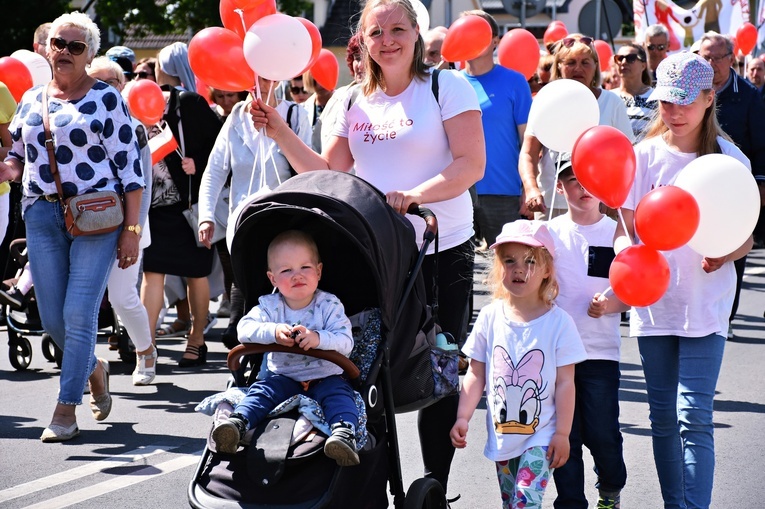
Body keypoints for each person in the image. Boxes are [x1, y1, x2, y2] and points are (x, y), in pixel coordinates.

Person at [249, 0, 485, 495]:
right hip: (378, 252)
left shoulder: (446, 85)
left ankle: (434, 488)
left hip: (439, 249)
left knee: (436, 369)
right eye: (377, 32)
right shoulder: (353, 98)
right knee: (370, 366)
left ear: (417, 34)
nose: (388, 40)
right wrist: (278, 129)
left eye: (398, 29)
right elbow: (326, 175)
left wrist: (417, 196)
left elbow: (471, 164)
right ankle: (370, 482)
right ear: (364, 40)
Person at [613, 52, 753, 509]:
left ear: (710, 99)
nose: (673, 112)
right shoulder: (643, 156)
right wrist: (626, 258)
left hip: (706, 302)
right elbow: (623, 231)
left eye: (684, 103)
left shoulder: (729, 160)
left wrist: (724, 253)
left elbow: (746, 239)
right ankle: (676, 503)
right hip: (654, 306)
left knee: (695, 415)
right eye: (666, 102)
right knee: (661, 418)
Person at [0, 11, 144, 442]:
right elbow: (19, 158)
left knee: (79, 312)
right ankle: (94, 369)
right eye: (58, 44)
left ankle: (66, 409)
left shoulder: (106, 99)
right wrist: (5, 168)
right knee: (51, 319)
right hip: (41, 215)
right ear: (47, 48)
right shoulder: (30, 99)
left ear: (89, 55)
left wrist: (131, 231)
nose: (64, 52)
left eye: (75, 47)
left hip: (96, 215)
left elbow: (131, 171)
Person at [450, 220, 587, 509]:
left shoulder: (560, 323)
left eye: (530, 261)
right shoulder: (489, 317)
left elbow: (565, 383)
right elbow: (476, 373)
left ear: (548, 270)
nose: (519, 269)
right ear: (499, 268)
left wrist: (562, 433)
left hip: (542, 432)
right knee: (510, 501)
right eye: (509, 261)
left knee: (526, 500)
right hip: (503, 435)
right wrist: (463, 416)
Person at [211, 230, 359, 465]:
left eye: (305, 268)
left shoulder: (329, 305)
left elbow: (345, 342)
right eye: (286, 270)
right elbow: (244, 329)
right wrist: (273, 332)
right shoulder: (269, 306)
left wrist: (318, 338)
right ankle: (237, 423)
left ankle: (343, 434)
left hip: (325, 376)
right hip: (282, 376)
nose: (297, 275)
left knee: (340, 397)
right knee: (261, 392)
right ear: (272, 278)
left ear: (319, 271)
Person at [198, 75, 311, 349]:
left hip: (284, 219)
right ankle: (241, 354)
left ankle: (272, 354)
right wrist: (206, 215)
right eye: (257, 70)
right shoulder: (236, 116)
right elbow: (215, 170)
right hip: (242, 220)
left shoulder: (295, 114)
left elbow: (309, 168)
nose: (264, 77)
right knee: (244, 281)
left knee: (277, 286)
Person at [547, 161, 628, 509]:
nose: (582, 187)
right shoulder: (547, 233)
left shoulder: (617, 232)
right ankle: (570, 502)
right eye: (572, 181)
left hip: (599, 353)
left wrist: (610, 307)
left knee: (602, 435)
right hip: (557, 355)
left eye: (590, 181)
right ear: (561, 188)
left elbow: (633, 288)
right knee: (566, 435)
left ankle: (610, 486)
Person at [141, 42, 222, 367]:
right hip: (154, 210)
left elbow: (219, 150)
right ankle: (144, 350)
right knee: (152, 275)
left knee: (195, 275)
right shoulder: (135, 109)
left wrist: (196, 163)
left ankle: (197, 338)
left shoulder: (188, 103)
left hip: (189, 208)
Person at [86, 56, 157, 385]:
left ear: (122, 86)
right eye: (96, 82)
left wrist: (134, 228)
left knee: (121, 296)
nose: (103, 89)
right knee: (83, 297)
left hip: (127, 224)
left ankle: (145, 352)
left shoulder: (135, 127)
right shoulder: (79, 122)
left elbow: (142, 184)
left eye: (110, 82)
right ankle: (88, 366)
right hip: (88, 224)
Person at [520, 34, 634, 220]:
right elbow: (528, 153)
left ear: (596, 66)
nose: (578, 68)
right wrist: (531, 189)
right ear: (558, 65)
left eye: (585, 62)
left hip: (601, 207)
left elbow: (628, 155)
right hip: (552, 206)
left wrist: (616, 197)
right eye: (571, 62)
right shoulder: (544, 101)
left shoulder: (612, 102)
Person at [697, 32, 765, 338]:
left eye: (716, 58)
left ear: (730, 59)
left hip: (735, 188)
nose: (710, 64)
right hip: (697, 184)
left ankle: (727, 316)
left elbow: (761, 145)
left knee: (733, 248)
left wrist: (760, 185)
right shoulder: (692, 91)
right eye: (705, 57)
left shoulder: (749, 95)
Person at [460, 10, 532, 246]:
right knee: (457, 272)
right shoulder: (450, 82)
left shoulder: (515, 82)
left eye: (479, 32)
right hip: (457, 191)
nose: (471, 38)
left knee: (506, 269)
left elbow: (528, 143)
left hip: (503, 193)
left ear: (495, 41)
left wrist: (528, 189)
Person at [615, 43, 656, 141]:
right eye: (619, 58)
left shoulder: (656, 98)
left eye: (631, 58)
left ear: (643, 65)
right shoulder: (609, 96)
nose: (624, 62)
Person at [301, 70, 335, 152]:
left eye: (325, 78)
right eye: (316, 80)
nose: (320, 85)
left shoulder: (344, 102)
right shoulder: (302, 109)